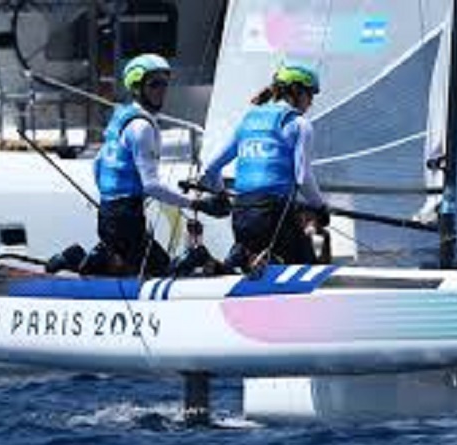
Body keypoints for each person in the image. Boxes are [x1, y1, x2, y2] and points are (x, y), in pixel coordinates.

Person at [79, 53, 227, 277]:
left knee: (131, 266)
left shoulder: (121, 117)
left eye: (165, 84)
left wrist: (112, 198)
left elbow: (98, 165)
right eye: (154, 84)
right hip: (126, 218)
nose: (162, 91)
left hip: (110, 215)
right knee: (163, 271)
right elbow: (152, 186)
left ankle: (86, 257)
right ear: (137, 88)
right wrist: (198, 204)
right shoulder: (142, 127)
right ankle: (194, 256)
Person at [198, 61, 329, 272]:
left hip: (240, 215)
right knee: (313, 253)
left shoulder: (248, 120)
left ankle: (232, 260)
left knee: (259, 255)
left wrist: (221, 194)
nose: (311, 102)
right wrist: (320, 207)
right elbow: (302, 177)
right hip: (273, 216)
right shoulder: (299, 124)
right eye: (310, 94)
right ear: (295, 91)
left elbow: (211, 168)